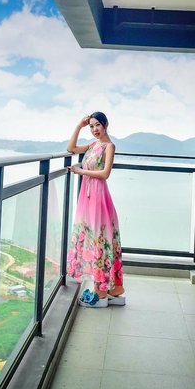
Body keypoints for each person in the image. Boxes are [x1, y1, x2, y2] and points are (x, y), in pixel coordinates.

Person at [65, 112, 125, 308]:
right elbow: (71, 148)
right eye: (91, 126)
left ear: (106, 124)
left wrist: (81, 171)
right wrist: (79, 125)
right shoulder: (93, 145)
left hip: (98, 197)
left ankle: (102, 292)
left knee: (100, 240)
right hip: (87, 196)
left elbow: (105, 173)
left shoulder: (109, 146)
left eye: (97, 125)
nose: (94, 129)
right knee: (93, 239)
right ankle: (111, 290)